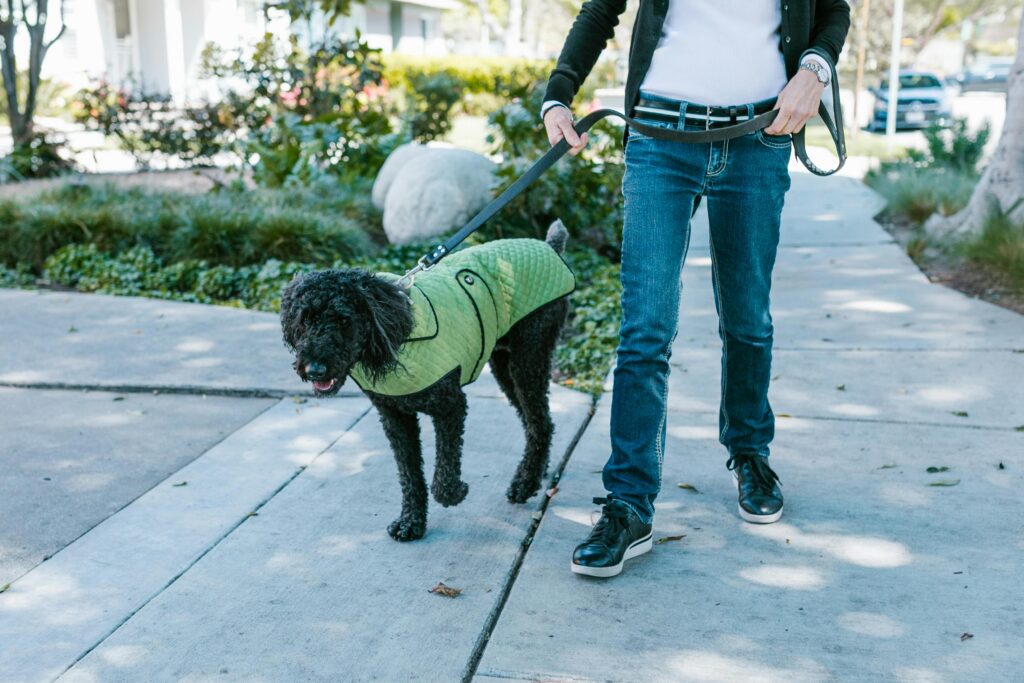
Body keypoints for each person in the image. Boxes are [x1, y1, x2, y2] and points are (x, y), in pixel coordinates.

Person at [542, 0, 851, 578]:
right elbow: (601, 9)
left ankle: (750, 453)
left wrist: (815, 68)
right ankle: (629, 503)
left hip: (759, 138)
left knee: (748, 320)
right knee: (645, 330)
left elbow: (833, 10)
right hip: (660, 138)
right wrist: (558, 93)